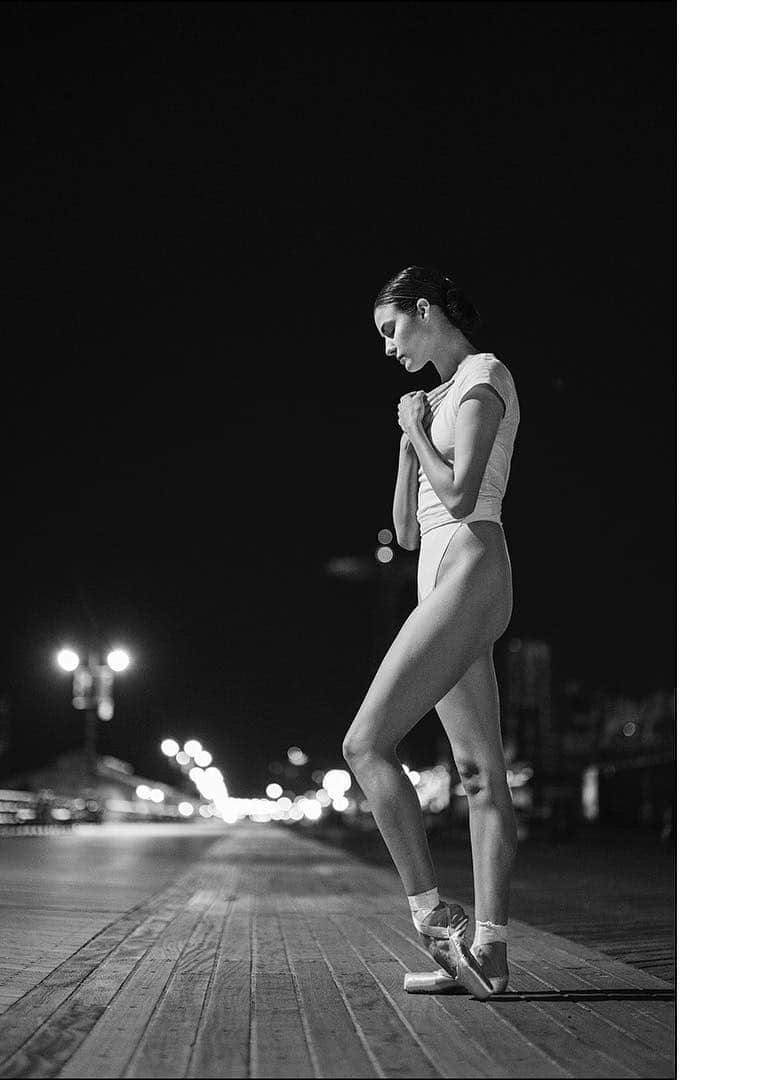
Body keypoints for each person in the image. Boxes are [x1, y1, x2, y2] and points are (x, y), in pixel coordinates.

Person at [342, 266, 520, 999]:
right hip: (440, 572)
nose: (387, 348)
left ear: (424, 310)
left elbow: (463, 493)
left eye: (392, 330)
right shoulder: (433, 398)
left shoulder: (483, 374)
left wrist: (419, 427)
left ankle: (432, 918)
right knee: (479, 775)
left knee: (364, 743)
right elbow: (410, 529)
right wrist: (405, 441)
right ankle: (490, 957)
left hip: (475, 567)